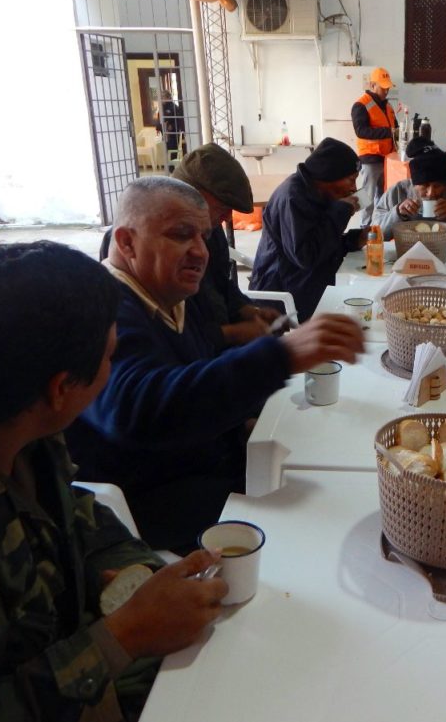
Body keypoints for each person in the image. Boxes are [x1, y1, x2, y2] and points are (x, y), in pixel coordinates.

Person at [0, 241, 228, 720]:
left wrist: (133, 574)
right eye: (112, 356)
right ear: (61, 388)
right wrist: (124, 636)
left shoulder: (12, 417)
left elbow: (75, 511)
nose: (113, 370)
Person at [66, 177, 365, 553]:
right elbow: (139, 409)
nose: (200, 252)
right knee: (328, 533)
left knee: (337, 466)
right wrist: (282, 355)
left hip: (211, 463)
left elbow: (202, 368)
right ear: (126, 242)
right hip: (157, 505)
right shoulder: (102, 311)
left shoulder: (174, 296)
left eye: (204, 237)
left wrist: (249, 421)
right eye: (180, 235)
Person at [172, 143, 283, 348]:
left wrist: (250, 311)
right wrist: (231, 334)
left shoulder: (211, 232)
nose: (227, 218)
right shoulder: (156, 246)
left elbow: (222, 285)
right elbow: (173, 340)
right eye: (222, 208)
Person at [250, 138, 367, 319]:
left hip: (305, 285)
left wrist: (352, 240)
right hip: (283, 298)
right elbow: (306, 257)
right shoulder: (293, 198)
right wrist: (341, 211)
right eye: (351, 180)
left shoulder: (316, 192)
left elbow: (319, 241)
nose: (353, 188)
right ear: (329, 175)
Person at [373, 139, 446, 241]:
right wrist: (397, 213)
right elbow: (373, 235)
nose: (431, 193)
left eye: (438, 186)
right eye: (424, 186)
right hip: (404, 252)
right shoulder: (398, 191)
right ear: (414, 183)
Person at [351, 67, 398, 226]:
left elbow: (395, 129)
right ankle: (364, 228)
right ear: (372, 85)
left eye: (388, 87)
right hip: (370, 160)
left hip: (387, 159)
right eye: (383, 87)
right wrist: (388, 132)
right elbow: (361, 131)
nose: (386, 90)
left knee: (384, 197)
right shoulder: (361, 104)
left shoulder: (388, 106)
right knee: (366, 196)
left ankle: (379, 228)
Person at [156, 89, 185, 166]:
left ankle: (172, 167)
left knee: (173, 149)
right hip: (164, 132)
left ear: (168, 97)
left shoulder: (174, 107)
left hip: (173, 133)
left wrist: (171, 126)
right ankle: (167, 166)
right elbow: (160, 119)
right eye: (161, 97)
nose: (162, 99)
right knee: (166, 149)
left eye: (163, 97)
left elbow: (178, 120)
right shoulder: (162, 107)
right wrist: (158, 128)